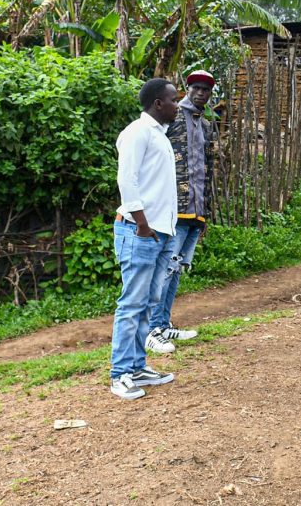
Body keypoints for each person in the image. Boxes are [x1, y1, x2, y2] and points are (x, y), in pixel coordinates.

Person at [109, 78, 181, 400]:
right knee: (132, 304)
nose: (177, 106)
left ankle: (137, 367)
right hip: (140, 231)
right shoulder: (137, 132)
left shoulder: (159, 135)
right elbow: (127, 180)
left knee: (149, 303)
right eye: (174, 100)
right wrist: (141, 223)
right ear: (158, 103)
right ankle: (120, 374)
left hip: (160, 233)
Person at [145, 70, 216, 355]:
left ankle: (163, 324)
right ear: (187, 89)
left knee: (176, 269)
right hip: (172, 210)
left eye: (206, 90)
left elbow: (209, 169)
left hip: (195, 210)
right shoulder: (171, 118)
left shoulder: (207, 125)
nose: (201, 93)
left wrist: (205, 211)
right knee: (164, 269)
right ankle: (151, 329)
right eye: (196, 88)